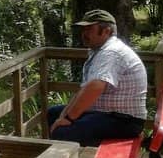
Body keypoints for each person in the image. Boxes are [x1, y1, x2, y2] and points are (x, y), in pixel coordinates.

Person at [47, 9, 147, 147]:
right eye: (83, 29)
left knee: (63, 133)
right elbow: (84, 89)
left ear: (106, 31)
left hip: (125, 122)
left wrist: (69, 118)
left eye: (89, 29)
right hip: (109, 115)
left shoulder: (111, 52)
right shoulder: (100, 51)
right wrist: (63, 116)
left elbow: (95, 87)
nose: (84, 33)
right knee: (53, 114)